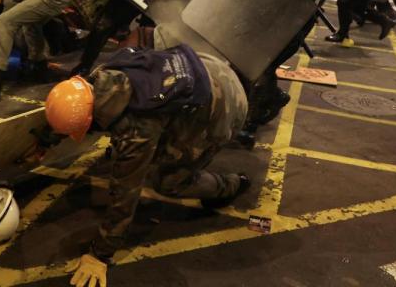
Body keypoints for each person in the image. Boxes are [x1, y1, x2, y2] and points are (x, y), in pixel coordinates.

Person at [45, 44, 250, 287]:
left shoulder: (137, 130)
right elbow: (73, 110)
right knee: (148, 150)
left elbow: (125, 193)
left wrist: (100, 253)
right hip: (209, 65)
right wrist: (46, 138)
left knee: (169, 182)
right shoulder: (102, 75)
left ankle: (229, 185)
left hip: (226, 105)